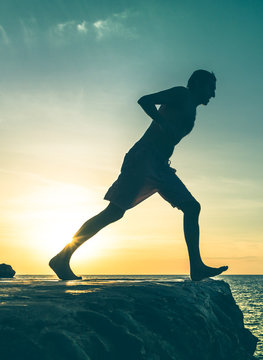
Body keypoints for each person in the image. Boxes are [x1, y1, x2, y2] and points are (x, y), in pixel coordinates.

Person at [49, 70, 228, 281]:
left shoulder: (191, 106)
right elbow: (145, 101)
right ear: (198, 84)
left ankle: (196, 267)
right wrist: (162, 121)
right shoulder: (182, 94)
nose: (213, 94)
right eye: (211, 88)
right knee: (113, 212)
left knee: (191, 207)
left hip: (161, 165)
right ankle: (62, 257)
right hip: (143, 159)